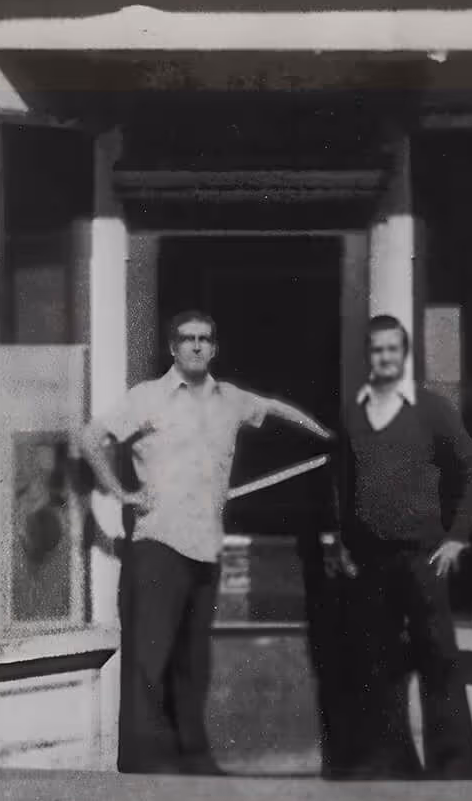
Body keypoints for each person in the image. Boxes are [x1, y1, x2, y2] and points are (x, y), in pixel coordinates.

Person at [77, 309, 334, 776]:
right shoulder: (146, 398)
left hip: (205, 547)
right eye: (186, 339)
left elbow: (276, 409)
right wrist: (121, 492)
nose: (196, 346)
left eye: (205, 339)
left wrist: (329, 437)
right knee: (149, 662)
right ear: (172, 348)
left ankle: (193, 760)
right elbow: (91, 438)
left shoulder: (231, 400)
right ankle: (146, 766)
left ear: (214, 348)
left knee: (192, 663)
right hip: (158, 544)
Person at [320, 314, 472, 781]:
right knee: (378, 665)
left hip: (423, 557)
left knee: (438, 661)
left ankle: (453, 768)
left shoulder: (431, 409)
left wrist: (457, 538)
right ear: (368, 356)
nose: (385, 357)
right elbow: (343, 483)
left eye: (393, 349)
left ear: (405, 353)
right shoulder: (353, 412)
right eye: (377, 350)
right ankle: (391, 764)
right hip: (370, 561)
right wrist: (341, 539)